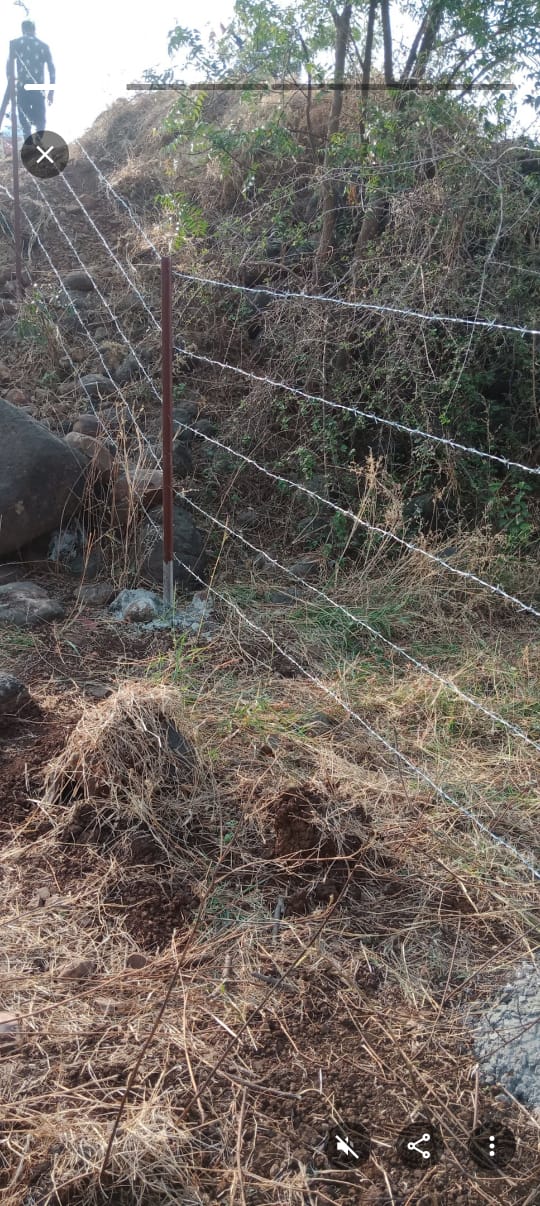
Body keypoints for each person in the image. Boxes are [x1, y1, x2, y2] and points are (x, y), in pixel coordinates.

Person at [6, 20, 55, 140]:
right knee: (40, 120)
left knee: (25, 120)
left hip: (22, 86)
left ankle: (29, 146)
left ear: (23, 30)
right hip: (38, 88)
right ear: (34, 29)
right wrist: (51, 92)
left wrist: (10, 82)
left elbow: (9, 66)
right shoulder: (43, 46)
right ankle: (39, 144)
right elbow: (52, 70)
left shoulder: (16, 43)